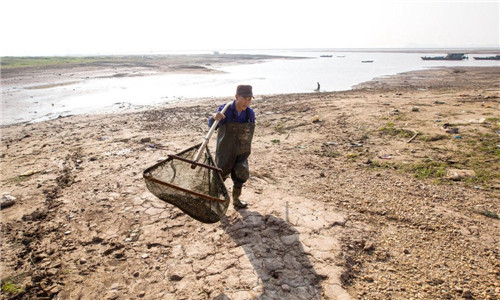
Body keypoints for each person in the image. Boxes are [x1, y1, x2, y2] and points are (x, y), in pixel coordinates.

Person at [208, 85, 256, 209]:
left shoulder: (250, 113)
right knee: (220, 173)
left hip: (242, 149)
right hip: (225, 148)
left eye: (249, 99)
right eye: (244, 98)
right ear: (236, 97)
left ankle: (236, 199)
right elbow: (212, 125)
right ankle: (215, 198)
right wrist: (215, 117)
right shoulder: (226, 109)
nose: (247, 102)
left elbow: (249, 131)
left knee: (241, 173)